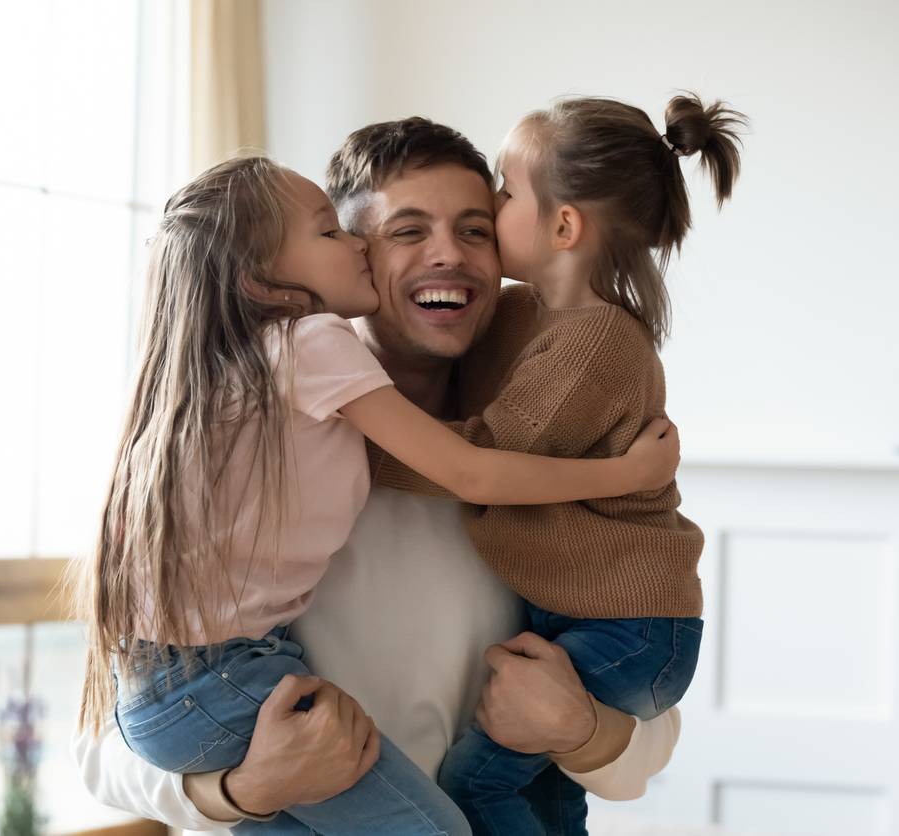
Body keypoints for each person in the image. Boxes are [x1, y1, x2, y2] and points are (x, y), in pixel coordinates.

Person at [73, 117, 684, 835]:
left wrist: (580, 731)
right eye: (408, 231)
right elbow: (106, 748)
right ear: (354, 254)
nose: (449, 256)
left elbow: (654, 724)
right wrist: (246, 787)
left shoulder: (551, 455)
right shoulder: (234, 451)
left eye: (477, 230)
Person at [370, 94, 745, 834]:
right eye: (407, 231)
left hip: (630, 625)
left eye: (500, 199)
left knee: (480, 783)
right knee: (538, 790)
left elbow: (476, 459)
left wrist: (353, 429)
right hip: (585, 618)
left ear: (564, 226)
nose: (452, 253)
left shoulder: (595, 339)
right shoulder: (516, 315)